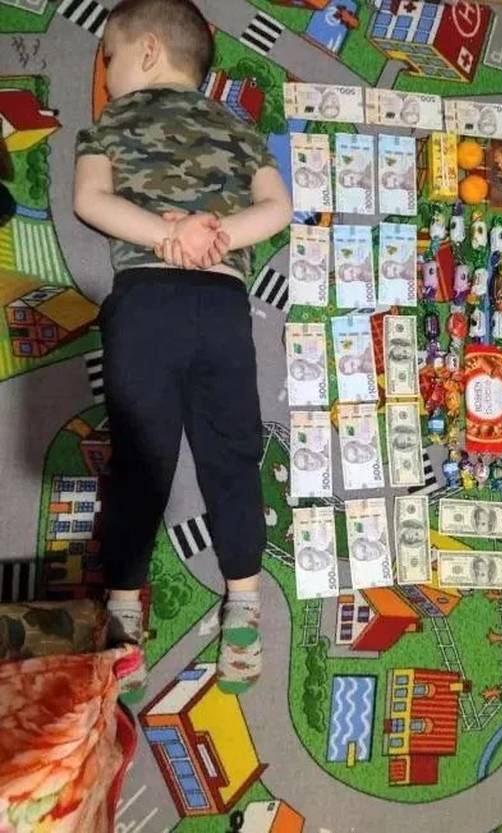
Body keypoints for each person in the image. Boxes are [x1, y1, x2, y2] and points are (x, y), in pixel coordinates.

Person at [73, 0, 293, 694]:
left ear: (145, 52)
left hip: (153, 301)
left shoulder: (112, 122)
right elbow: (277, 208)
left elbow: (91, 200)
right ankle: (234, 607)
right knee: (225, 456)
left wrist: (177, 236)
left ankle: (132, 617)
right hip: (214, 302)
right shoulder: (239, 127)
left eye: (108, 58)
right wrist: (203, 237)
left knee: (151, 460)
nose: (106, 74)